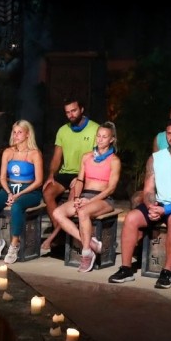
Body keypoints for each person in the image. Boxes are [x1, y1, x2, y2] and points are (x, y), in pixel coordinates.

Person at [108, 118, 171, 289]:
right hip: (159, 202)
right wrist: (151, 206)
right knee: (131, 218)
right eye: (169, 133)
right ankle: (126, 268)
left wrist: (166, 209)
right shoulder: (155, 158)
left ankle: (167, 272)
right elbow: (148, 190)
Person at [48, 122, 121, 272]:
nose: (100, 139)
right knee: (57, 213)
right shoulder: (87, 157)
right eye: (98, 136)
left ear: (111, 139)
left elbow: (111, 189)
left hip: (103, 199)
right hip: (85, 195)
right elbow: (80, 180)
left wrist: (90, 201)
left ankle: (86, 252)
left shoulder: (114, 161)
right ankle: (91, 243)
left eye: (104, 137)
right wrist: (76, 198)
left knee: (83, 212)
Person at [41, 99, 101, 251]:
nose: (71, 114)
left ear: (81, 109)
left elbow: (96, 158)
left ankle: (55, 237)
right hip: (66, 173)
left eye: (73, 110)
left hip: (84, 174)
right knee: (47, 192)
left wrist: (81, 177)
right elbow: (56, 157)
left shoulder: (95, 129)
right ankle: (61, 233)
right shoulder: (63, 130)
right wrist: (51, 175)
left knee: (72, 199)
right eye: (67, 112)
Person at [0, 120, 44, 264]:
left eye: (20, 132)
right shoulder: (8, 152)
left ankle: (15, 244)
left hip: (29, 191)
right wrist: (9, 193)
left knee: (17, 206)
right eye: (14, 132)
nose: (16, 135)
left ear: (28, 134)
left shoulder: (34, 153)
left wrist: (19, 195)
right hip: (10, 188)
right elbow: (3, 178)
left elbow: (39, 181)